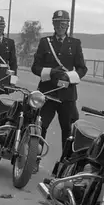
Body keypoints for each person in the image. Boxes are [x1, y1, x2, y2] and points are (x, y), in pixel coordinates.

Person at [31, 10, 88, 172]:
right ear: (53, 24)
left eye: (64, 23)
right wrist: (50, 72)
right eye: (58, 23)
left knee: (68, 132)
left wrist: (70, 76)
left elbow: (82, 68)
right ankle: (34, 159)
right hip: (48, 92)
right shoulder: (45, 42)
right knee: (40, 127)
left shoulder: (75, 43)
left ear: (68, 25)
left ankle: (64, 166)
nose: (61, 26)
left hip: (67, 95)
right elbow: (35, 67)